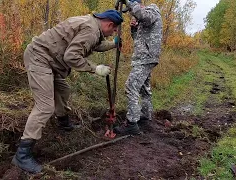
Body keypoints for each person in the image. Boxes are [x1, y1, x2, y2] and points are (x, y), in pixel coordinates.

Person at [11, 9, 123, 174]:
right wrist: (95, 68)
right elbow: (71, 57)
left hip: (50, 60)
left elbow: (94, 44)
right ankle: (22, 154)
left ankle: (63, 124)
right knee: (45, 107)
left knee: (63, 90)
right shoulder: (91, 30)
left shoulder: (92, 25)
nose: (112, 33)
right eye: (113, 30)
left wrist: (113, 43)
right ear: (109, 24)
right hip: (40, 58)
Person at [114, 0, 163, 135]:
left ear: (139, 5)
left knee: (131, 86)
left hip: (146, 57)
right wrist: (134, 28)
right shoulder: (143, 19)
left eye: (131, 9)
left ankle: (131, 123)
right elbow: (139, 40)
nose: (131, 13)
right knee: (143, 88)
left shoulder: (152, 10)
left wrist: (129, 4)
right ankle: (145, 116)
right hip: (143, 57)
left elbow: (143, 15)